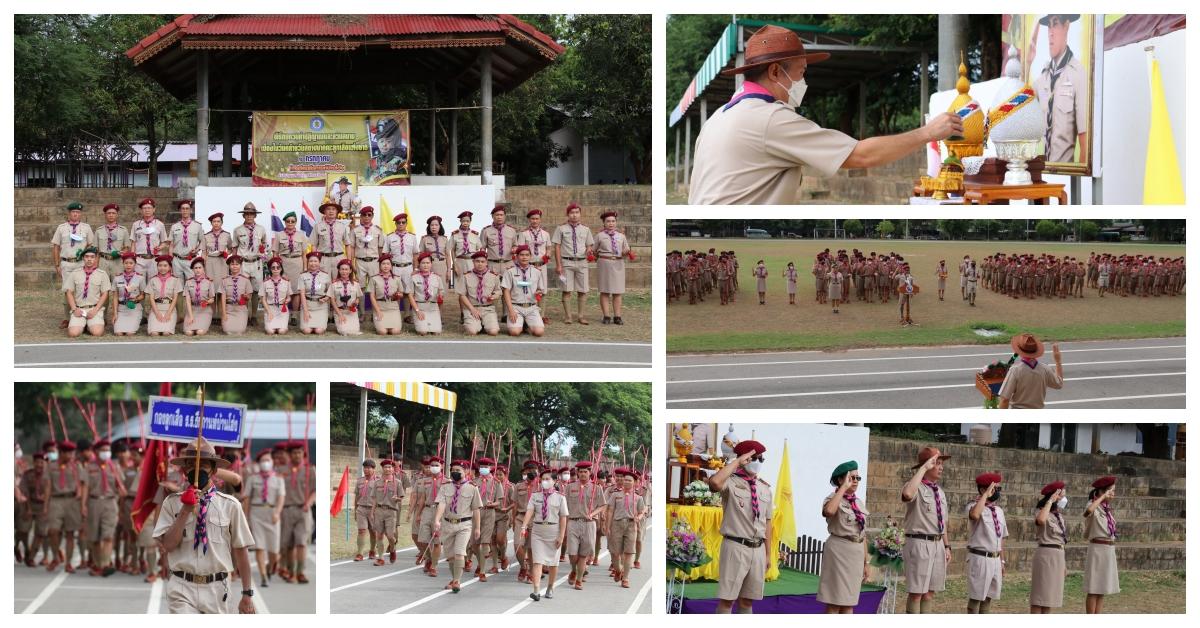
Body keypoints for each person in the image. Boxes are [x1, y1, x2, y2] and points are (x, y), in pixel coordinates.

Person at [688, 25, 962, 204]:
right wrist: (928, 133)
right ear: (774, 72)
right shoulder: (769, 118)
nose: (802, 82)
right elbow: (861, 155)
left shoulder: (719, 118)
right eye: (800, 72)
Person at [154, 438, 255, 614]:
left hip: (217, 588)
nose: (197, 469)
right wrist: (185, 511)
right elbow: (168, 545)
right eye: (191, 465)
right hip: (182, 586)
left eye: (203, 464)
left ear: (214, 470)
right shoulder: (172, 503)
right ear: (184, 470)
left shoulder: (230, 505)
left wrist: (247, 593)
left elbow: (241, 550)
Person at [706, 440, 774, 613]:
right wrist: (736, 463)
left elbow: (768, 522)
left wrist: (768, 554)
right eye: (754, 458)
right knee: (727, 602)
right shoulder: (731, 481)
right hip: (736, 546)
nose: (758, 462)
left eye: (761, 459)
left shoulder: (764, 488)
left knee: (747, 602)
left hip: (757, 549)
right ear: (744, 459)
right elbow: (714, 483)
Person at [900, 445, 951, 613]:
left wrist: (946, 546)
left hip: (937, 544)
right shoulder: (916, 486)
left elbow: (942, 523)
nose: (941, 467)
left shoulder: (940, 492)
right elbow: (907, 495)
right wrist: (922, 469)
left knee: (929, 593)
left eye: (941, 463)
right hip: (919, 543)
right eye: (937, 463)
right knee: (916, 593)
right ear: (928, 464)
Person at [1034, 14, 1088, 163]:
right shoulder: (1042, 78)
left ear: (1067, 26)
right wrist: (1027, 61)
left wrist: (1079, 181)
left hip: (1066, 176)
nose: (1050, 32)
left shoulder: (1078, 75)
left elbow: (1086, 145)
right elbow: (1020, 108)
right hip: (1042, 175)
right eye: (1049, 25)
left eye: (1056, 23)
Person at [817, 461, 869, 613]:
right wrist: (843, 489)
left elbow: (862, 533)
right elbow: (829, 512)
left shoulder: (858, 503)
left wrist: (866, 562)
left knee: (849, 603)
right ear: (841, 480)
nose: (855, 481)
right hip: (839, 552)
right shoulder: (833, 498)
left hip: (856, 553)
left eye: (858, 478)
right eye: (851, 477)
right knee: (835, 602)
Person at [432, 459, 482, 594]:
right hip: (448, 524)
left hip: (464, 524)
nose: (455, 473)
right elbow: (441, 504)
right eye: (453, 470)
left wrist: (477, 528)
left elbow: (476, 509)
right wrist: (437, 520)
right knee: (450, 556)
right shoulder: (445, 487)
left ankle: (457, 581)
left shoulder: (472, 487)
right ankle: (454, 578)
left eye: (458, 470)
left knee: (460, 552)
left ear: (465, 472)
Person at [521, 466, 568, 601]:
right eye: (542, 479)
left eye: (548, 479)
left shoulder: (560, 498)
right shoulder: (535, 496)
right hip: (538, 532)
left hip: (553, 532)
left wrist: (561, 536)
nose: (544, 481)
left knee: (553, 563)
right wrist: (524, 526)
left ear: (554, 481)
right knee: (537, 562)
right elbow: (529, 511)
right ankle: (536, 590)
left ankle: (550, 587)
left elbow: (563, 517)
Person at [242, 449, 285, 588]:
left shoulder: (279, 479)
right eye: (263, 461)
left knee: (274, 551)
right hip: (256, 512)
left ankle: (270, 566)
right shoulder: (253, 478)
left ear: (272, 462)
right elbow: (247, 498)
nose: (265, 463)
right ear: (259, 463)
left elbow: (281, 497)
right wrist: (246, 517)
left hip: (272, 513)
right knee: (259, 547)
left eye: (268, 460)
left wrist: (277, 512)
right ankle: (263, 576)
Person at [965, 472, 1007, 613]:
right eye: (996, 489)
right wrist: (985, 496)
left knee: (989, 597)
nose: (998, 492)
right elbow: (975, 515)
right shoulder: (973, 506)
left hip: (995, 559)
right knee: (976, 598)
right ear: (984, 490)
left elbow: (1001, 538)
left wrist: (1002, 562)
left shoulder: (999, 510)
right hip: (980, 558)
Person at [83, 439, 126, 577]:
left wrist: (122, 490)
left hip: (110, 502)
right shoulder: (89, 467)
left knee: (108, 536)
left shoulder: (114, 467)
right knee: (95, 537)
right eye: (103, 450)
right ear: (96, 452)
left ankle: (105, 564)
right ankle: (98, 564)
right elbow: (85, 488)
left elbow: (121, 487)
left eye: (108, 450)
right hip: (94, 502)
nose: (106, 453)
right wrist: (83, 505)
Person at [563, 461, 605, 590]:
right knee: (572, 554)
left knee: (583, 555)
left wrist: (593, 514)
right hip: (573, 522)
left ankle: (579, 580)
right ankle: (574, 569)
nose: (582, 474)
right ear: (577, 473)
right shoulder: (570, 487)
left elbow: (602, 505)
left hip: (589, 523)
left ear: (589, 473)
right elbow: (563, 505)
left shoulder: (596, 488)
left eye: (585, 472)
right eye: (580, 472)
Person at [552, 202, 595, 324]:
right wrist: (559, 265)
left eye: (577, 212)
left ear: (580, 214)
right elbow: (557, 247)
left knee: (583, 290)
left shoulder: (586, 229)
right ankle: (568, 316)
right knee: (567, 290)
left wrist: (589, 250)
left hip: (582, 262)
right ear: (567, 214)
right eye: (572, 213)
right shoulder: (561, 229)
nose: (574, 215)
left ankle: (581, 316)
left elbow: (589, 244)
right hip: (567, 262)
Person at [279, 442, 315, 584]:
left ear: (303, 454)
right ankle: (290, 571)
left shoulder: (309, 470)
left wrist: (309, 502)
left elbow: (315, 490)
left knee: (301, 542)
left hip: (303, 510)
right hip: (286, 510)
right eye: (294, 453)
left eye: (299, 452)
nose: (297, 455)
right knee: (288, 544)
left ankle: (300, 572)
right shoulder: (281, 470)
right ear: (289, 454)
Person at [1030, 480, 1068, 613]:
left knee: (1050, 597)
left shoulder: (1059, 516)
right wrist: (1050, 501)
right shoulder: (1042, 511)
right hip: (1046, 555)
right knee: (1040, 596)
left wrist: (1063, 564)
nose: (1063, 498)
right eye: (1061, 495)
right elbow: (1040, 520)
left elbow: (1061, 541)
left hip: (1058, 555)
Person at [998, 333, 1064, 408]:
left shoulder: (1015, 371)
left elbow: (1004, 400)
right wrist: (1058, 361)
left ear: (1019, 351)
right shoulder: (1046, 369)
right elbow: (1059, 384)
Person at [1083, 475, 1119, 613]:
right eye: (1110, 490)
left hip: (1108, 548)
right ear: (1101, 491)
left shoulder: (1106, 509)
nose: (1113, 494)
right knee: (1094, 588)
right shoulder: (1093, 504)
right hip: (1097, 548)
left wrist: (1104, 499)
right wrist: (1102, 497)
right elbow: (1088, 512)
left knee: (1102, 588)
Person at [63, 247, 111, 338]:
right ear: (83, 258)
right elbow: (69, 292)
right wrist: (74, 309)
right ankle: (83, 324)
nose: (89, 259)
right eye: (87, 256)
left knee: (97, 332)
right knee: (73, 333)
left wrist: (95, 310)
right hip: (79, 309)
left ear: (96, 258)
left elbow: (105, 294)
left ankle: (88, 325)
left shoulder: (102, 274)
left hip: (94, 309)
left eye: (92, 257)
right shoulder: (75, 273)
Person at [594, 211, 632, 324]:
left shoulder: (621, 236)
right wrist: (601, 258)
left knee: (617, 291)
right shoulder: (599, 236)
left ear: (616, 222)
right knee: (604, 291)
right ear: (604, 223)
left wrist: (626, 252)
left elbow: (627, 250)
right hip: (604, 263)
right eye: (608, 221)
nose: (611, 223)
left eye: (613, 221)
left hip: (618, 264)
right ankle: (606, 316)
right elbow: (594, 251)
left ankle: (617, 316)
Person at [232, 203, 267, 325]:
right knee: (243, 289)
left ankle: (254, 316)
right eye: (247, 214)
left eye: (252, 214)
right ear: (244, 216)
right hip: (243, 263)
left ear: (255, 215)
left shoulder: (261, 229)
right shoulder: (237, 230)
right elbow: (235, 248)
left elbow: (264, 243)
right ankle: (244, 314)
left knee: (256, 290)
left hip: (256, 263)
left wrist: (263, 251)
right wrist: (234, 263)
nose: (249, 216)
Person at [502, 245, 547, 337]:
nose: (524, 257)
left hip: (531, 307)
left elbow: (540, 289)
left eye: (527, 255)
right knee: (514, 332)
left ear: (530, 256)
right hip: (516, 307)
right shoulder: (510, 271)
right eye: (521, 255)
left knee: (539, 332)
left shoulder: (537, 271)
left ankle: (525, 323)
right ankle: (520, 324)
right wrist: (510, 310)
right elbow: (506, 291)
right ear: (517, 256)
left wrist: (539, 292)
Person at [413, 455, 445, 577]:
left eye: (437, 465)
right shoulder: (425, 481)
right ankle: (429, 557)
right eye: (432, 465)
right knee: (422, 539)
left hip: (440, 511)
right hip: (427, 509)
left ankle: (433, 566)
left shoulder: (447, 481)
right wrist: (418, 513)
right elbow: (422, 498)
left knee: (436, 541)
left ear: (441, 467)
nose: (434, 468)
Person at [457, 250, 502, 336]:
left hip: (488, 309)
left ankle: (483, 324)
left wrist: (494, 296)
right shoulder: (466, 276)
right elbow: (462, 295)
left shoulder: (494, 276)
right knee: (472, 332)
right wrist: (472, 309)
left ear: (486, 262)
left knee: (493, 332)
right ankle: (473, 324)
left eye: (482, 261)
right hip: (472, 308)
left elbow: (498, 291)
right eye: (477, 261)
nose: (480, 264)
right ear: (473, 262)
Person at [273, 212, 309, 318]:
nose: (290, 223)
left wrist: (305, 267)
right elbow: (275, 252)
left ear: (295, 222)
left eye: (292, 221)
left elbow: (304, 254)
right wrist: (276, 266)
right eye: (288, 221)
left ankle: (294, 315)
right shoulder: (279, 235)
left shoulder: (301, 235)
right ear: (285, 222)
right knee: (282, 289)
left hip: (297, 263)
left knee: (296, 290)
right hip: (283, 263)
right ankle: (282, 313)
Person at [471, 457, 501, 580]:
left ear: (490, 468)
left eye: (486, 466)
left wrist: (492, 504)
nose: (483, 468)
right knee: (474, 544)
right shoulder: (474, 482)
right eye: (481, 466)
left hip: (489, 513)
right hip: (476, 513)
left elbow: (499, 501)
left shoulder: (496, 483)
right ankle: (480, 562)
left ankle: (482, 571)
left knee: (484, 542)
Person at [372, 458, 405, 565]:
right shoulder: (377, 482)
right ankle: (380, 558)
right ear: (382, 468)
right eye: (385, 467)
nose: (388, 469)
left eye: (390, 467)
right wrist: (372, 512)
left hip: (391, 511)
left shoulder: (397, 483)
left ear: (393, 469)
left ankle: (392, 548)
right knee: (379, 535)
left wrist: (398, 498)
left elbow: (401, 497)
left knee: (390, 535)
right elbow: (374, 498)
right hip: (379, 510)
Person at [352, 207, 383, 312]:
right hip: (360, 261)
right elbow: (351, 247)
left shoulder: (378, 230)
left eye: (369, 215)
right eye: (364, 215)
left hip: (374, 261)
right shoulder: (355, 230)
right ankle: (362, 312)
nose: (366, 217)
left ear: (372, 216)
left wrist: (381, 264)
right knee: (360, 288)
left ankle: (376, 311)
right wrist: (352, 263)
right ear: (360, 216)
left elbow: (380, 248)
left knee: (375, 287)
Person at [408, 252, 445, 335]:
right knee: (423, 332)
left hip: (433, 308)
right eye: (423, 263)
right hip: (420, 307)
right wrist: (417, 310)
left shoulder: (437, 278)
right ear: (419, 264)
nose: (425, 265)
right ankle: (421, 324)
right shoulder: (414, 278)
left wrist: (440, 295)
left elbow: (441, 291)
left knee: (436, 332)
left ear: (431, 264)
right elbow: (410, 295)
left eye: (428, 263)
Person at [314, 201, 353, 278]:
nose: (331, 211)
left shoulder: (342, 226)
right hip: (324, 259)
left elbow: (347, 244)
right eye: (328, 209)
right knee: (324, 282)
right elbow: (314, 245)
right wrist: (316, 261)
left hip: (339, 258)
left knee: (339, 282)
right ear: (324, 212)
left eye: (333, 209)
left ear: (337, 211)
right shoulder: (318, 226)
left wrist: (349, 261)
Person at [368, 254, 405, 335]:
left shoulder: (397, 278)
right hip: (380, 307)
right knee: (382, 332)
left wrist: (398, 295)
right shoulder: (374, 278)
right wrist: (378, 311)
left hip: (393, 307)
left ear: (391, 266)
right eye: (383, 264)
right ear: (380, 266)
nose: (386, 266)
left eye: (388, 264)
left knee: (395, 331)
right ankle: (379, 323)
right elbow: (372, 296)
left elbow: (402, 294)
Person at [146, 255, 182, 336]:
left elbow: (175, 299)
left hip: (169, 309)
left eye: (165, 265)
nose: (162, 268)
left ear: (170, 267)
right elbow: (151, 299)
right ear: (157, 267)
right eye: (160, 265)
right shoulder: (152, 280)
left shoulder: (175, 280)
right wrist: (157, 313)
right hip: (156, 309)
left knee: (166, 333)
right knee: (154, 333)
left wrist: (169, 313)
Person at [169, 199, 204, 280]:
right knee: (178, 286)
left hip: (191, 260)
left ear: (191, 210)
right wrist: (171, 260)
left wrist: (197, 250)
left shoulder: (197, 226)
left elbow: (202, 241)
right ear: (180, 210)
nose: (185, 211)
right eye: (183, 209)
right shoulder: (174, 226)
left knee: (192, 284)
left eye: (187, 208)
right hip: (177, 260)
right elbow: (171, 244)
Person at [297, 251, 331, 335]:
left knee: (319, 331)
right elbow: (302, 295)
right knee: (307, 331)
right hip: (307, 306)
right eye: (311, 261)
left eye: (315, 261)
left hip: (321, 307)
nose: (313, 263)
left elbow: (330, 292)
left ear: (319, 262)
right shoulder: (302, 276)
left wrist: (326, 298)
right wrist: (305, 311)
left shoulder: (325, 276)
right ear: (308, 263)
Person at [95, 203, 130, 283]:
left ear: (117, 215)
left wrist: (122, 252)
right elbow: (95, 249)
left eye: (113, 213)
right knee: (102, 286)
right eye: (109, 213)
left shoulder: (123, 230)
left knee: (119, 286)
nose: (111, 215)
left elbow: (127, 247)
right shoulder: (99, 230)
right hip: (103, 261)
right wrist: (95, 264)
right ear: (105, 215)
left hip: (117, 262)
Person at [352, 459, 378, 561]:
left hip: (373, 510)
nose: (366, 470)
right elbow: (357, 496)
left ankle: (372, 550)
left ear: (373, 469)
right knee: (361, 530)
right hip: (361, 508)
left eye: (368, 468)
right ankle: (360, 553)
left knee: (373, 531)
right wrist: (355, 509)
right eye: (365, 468)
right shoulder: (360, 481)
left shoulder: (377, 481)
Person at [329, 259, 364, 336]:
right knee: (344, 331)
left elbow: (358, 297)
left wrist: (356, 302)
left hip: (351, 312)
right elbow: (332, 300)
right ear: (339, 270)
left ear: (350, 270)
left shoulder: (355, 283)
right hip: (340, 311)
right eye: (342, 269)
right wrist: (339, 314)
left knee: (354, 331)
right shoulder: (334, 284)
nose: (344, 271)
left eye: (346, 269)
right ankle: (340, 323)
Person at [480, 205, 518, 276]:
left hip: (508, 264)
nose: (499, 217)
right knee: (491, 286)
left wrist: (514, 249)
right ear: (492, 216)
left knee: (508, 287)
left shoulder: (512, 230)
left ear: (505, 216)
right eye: (497, 215)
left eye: (501, 215)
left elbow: (515, 245)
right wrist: (483, 263)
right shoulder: (486, 231)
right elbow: (482, 249)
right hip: (492, 265)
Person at [183, 258, 216, 336]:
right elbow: (188, 301)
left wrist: (207, 302)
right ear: (193, 270)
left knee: (199, 332)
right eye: (195, 268)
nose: (198, 270)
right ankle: (191, 321)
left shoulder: (209, 282)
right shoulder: (188, 282)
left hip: (205, 310)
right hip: (193, 309)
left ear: (203, 269)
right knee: (189, 333)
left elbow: (212, 299)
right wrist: (191, 316)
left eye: (200, 268)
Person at [260, 257, 293, 335]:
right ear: (270, 269)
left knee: (282, 331)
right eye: (273, 267)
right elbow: (263, 299)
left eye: (278, 267)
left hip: (282, 310)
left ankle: (283, 325)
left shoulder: (286, 282)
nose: (275, 269)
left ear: (281, 269)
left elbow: (289, 296)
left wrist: (288, 299)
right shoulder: (265, 282)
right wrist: (269, 312)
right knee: (270, 332)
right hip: (270, 309)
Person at [220, 256, 252, 335]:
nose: (234, 266)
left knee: (239, 331)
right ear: (229, 266)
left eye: (237, 264)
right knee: (227, 331)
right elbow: (223, 298)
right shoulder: (224, 280)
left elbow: (249, 297)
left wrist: (246, 296)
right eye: (232, 264)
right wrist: (224, 313)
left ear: (240, 266)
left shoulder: (246, 280)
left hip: (240, 309)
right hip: (229, 309)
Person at [419, 215, 452, 289]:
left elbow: (448, 255)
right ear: (429, 227)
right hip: (430, 266)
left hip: (443, 266)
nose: (434, 227)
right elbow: (420, 256)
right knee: (431, 288)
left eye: (436, 225)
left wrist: (449, 270)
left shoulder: (445, 239)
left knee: (442, 290)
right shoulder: (424, 239)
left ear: (440, 226)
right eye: (432, 225)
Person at [204, 213, 233, 291]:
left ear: (221, 223)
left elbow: (231, 248)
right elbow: (204, 252)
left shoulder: (227, 235)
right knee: (211, 284)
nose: (216, 223)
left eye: (218, 221)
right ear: (211, 223)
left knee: (222, 284)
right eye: (214, 221)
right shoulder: (206, 236)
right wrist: (204, 264)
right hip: (210, 261)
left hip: (222, 261)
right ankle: (212, 301)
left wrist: (226, 253)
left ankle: (221, 302)